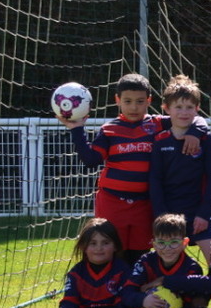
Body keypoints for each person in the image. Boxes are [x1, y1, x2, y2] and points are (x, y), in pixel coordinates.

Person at [59, 71, 202, 265]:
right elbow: (91, 160)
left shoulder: (159, 124)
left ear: (149, 100)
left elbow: (193, 118)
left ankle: (134, 293)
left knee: (140, 255)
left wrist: (193, 132)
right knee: (111, 253)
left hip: (144, 204)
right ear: (117, 100)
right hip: (112, 202)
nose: (134, 107)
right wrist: (76, 129)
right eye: (127, 101)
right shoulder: (109, 130)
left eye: (140, 101)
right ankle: (107, 292)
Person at [148, 74, 211, 259]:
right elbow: (155, 180)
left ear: (197, 109)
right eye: (178, 107)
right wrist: (161, 215)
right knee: (167, 263)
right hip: (169, 216)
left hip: (198, 215)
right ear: (166, 109)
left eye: (189, 107)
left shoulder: (205, 139)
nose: (184, 112)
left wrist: (204, 214)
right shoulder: (160, 141)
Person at [48, 217, 130, 308]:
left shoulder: (122, 270)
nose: (99, 248)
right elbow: (68, 301)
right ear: (83, 247)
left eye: (105, 243)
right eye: (93, 243)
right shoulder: (76, 273)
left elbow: (124, 307)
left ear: (115, 246)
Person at [125, 213, 204, 308]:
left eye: (174, 242)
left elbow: (191, 304)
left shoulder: (192, 268)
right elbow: (126, 293)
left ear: (185, 243)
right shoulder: (145, 262)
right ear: (154, 244)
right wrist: (143, 300)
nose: (167, 249)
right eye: (161, 243)